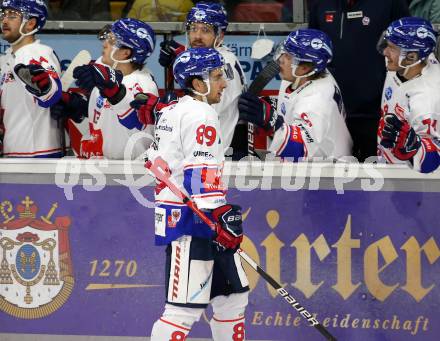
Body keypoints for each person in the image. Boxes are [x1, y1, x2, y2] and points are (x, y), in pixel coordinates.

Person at [145, 47, 249, 341]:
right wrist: (217, 219)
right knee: (182, 311)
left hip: (200, 220)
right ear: (197, 84)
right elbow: (198, 176)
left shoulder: (172, 110)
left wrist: (217, 218)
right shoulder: (201, 113)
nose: (224, 84)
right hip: (194, 224)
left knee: (232, 298)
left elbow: (158, 159)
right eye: (217, 77)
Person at [134, 2, 247, 158]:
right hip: (200, 150)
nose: (197, 36)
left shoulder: (222, 63)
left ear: (220, 35)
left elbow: (203, 110)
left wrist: (162, 109)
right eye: (193, 29)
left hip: (211, 157)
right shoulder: (212, 59)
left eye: (205, 30)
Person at [308, 0, 409, 162]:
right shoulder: (320, 4)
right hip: (333, 110)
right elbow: (312, 54)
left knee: (377, 177)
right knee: (336, 179)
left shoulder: (391, 3)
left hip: (375, 109)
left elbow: (405, 49)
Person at [238, 28, 352, 160]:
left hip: (328, 170)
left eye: (288, 57)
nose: (281, 59)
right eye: (284, 51)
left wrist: (271, 121)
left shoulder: (316, 103)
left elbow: (298, 152)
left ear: (305, 68)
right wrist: (273, 107)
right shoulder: (302, 75)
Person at [53, 18, 158, 160]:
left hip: (128, 172)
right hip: (99, 168)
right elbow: (105, 115)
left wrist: (114, 93)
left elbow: (132, 119)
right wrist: (76, 105)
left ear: (126, 53)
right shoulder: (105, 73)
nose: (105, 44)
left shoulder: (143, 84)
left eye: (112, 41)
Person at [0, 0, 63, 158]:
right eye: (3, 14)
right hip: (17, 149)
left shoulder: (36, 52)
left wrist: (46, 87)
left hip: (36, 152)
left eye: (13, 15)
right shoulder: (9, 56)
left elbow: (51, 93)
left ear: (31, 23)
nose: (5, 20)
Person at [377, 17, 440, 173]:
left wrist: (415, 148)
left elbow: (432, 164)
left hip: (408, 182)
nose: (385, 52)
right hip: (386, 161)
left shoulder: (427, 101)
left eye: (391, 48)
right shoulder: (403, 65)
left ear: (412, 57)